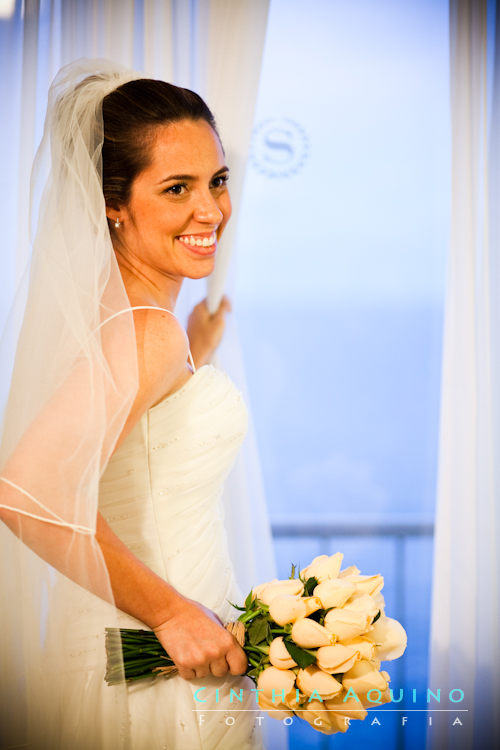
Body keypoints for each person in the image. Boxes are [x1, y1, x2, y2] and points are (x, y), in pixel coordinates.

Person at [0, 60, 263, 750]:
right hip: (161, 664)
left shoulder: (134, 324)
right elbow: (25, 491)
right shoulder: (144, 331)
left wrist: (193, 360)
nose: (210, 211)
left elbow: (133, 448)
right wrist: (175, 615)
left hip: (142, 650)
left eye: (218, 181)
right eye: (177, 188)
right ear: (113, 202)